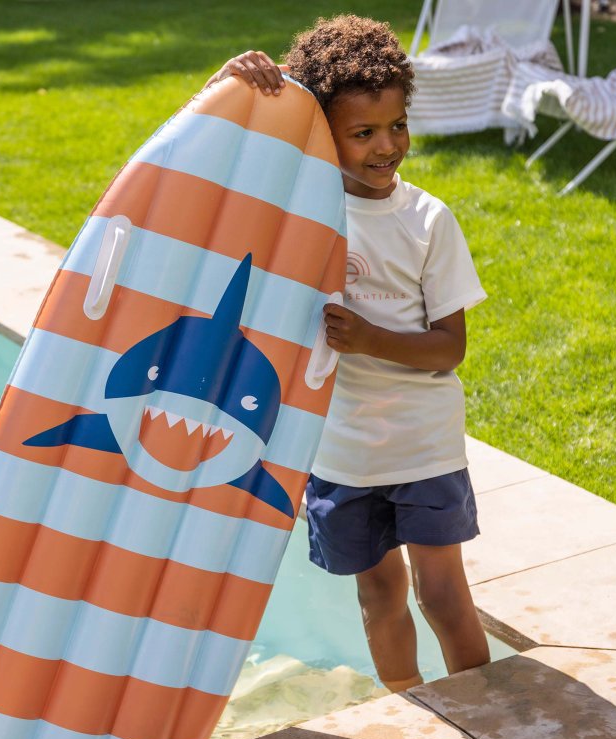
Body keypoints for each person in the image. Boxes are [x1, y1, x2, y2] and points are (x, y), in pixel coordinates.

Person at [206, 15, 490, 692]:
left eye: (397, 126)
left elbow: (450, 349)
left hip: (423, 444)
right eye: (363, 133)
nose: (387, 146)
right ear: (322, 134)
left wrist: (369, 340)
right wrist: (232, 86)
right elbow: (217, 169)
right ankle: (414, 709)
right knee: (378, 595)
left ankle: (487, 713)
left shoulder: (427, 221)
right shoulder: (300, 215)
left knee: (441, 594)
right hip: (339, 449)